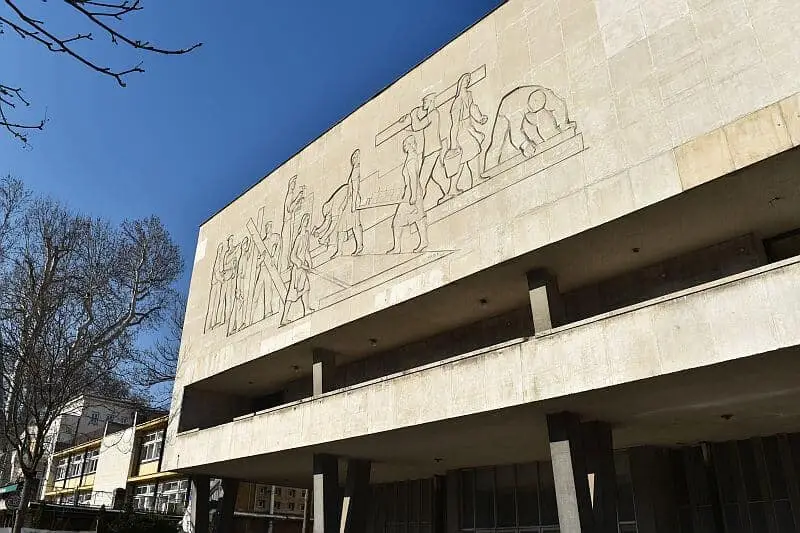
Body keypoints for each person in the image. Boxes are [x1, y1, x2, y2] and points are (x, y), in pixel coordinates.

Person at [483, 85, 575, 170]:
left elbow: (560, 106)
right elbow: (515, 132)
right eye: (532, 108)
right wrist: (525, 145)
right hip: (506, 110)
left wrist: (563, 124)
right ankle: (490, 169)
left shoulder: (547, 94)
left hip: (530, 111)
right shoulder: (515, 106)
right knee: (496, 143)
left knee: (545, 119)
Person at [399, 93, 453, 205]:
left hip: (432, 149)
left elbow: (417, 126)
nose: (423, 104)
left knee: (422, 180)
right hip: (433, 149)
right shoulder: (432, 114)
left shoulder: (433, 114)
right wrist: (409, 118)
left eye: (425, 101)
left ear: (431, 101)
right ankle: (449, 192)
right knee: (437, 174)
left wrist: (413, 115)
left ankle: (417, 206)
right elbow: (417, 126)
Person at [313, 149, 365, 257]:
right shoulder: (354, 171)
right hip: (348, 202)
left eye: (356, 156)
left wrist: (354, 204)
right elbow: (350, 190)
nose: (353, 159)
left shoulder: (356, 171)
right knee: (342, 227)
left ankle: (359, 246)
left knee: (355, 224)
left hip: (352, 202)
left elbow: (355, 189)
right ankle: (340, 250)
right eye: (353, 157)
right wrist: (343, 205)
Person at [443, 72, 488, 192]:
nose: (467, 82)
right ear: (460, 83)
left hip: (469, 126)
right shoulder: (457, 102)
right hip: (461, 131)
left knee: (474, 152)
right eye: (465, 80)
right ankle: (452, 189)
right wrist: (453, 144)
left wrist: (480, 118)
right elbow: (455, 124)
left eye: (469, 80)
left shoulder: (469, 95)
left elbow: (472, 107)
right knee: (460, 160)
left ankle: (476, 178)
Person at [388, 136, 428, 254]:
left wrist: (413, 196)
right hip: (413, 191)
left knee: (397, 221)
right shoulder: (413, 158)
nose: (403, 146)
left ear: (410, 145)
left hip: (412, 192)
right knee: (419, 217)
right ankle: (424, 241)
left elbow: (413, 178)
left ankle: (397, 248)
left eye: (405, 144)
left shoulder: (411, 159)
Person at [281, 213, 313, 325]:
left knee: (306, 288)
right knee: (292, 295)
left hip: (303, 269)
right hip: (297, 271)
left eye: (308, 221)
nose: (307, 223)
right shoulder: (299, 238)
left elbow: (307, 251)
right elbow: (292, 256)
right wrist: (301, 264)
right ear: (302, 222)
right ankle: (284, 318)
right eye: (306, 220)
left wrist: (310, 263)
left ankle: (307, 309)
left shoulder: (306, 236)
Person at [279, 176, 305, 273]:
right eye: (293, 183)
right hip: (287, 224)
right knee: (286, 245)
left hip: (290, 223)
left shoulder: (291, 194)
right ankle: (283, 267)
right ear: (290, 185)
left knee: (289, 244)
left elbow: (293, 209)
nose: (294, 185)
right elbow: (289, 208)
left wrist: (299, 203)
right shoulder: (289, 195)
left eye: (295, 183)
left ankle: (288, 264)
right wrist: (298, 198)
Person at [205, 243, 225, 331]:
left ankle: (214, 323)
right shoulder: (218, 259)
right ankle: (209, 325)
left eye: (222, 249)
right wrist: (222, 279)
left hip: (218, 284)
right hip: (216, 284)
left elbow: (219, 272)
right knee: (212, 306)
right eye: (220, 249)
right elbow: (216, 273)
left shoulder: (221, 259)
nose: (221, 250)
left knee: (216, 304)